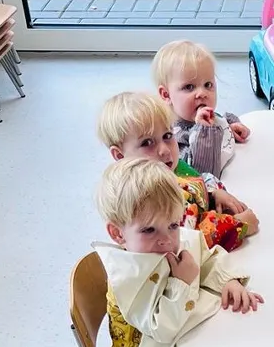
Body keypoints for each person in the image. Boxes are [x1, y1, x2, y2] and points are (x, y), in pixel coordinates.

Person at [94, 158, 263, 347]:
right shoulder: (126, 277)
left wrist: (229, 281)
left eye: (173, 225)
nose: (166, 240)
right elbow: (162, 329)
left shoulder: (173, 237)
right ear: (118, 233)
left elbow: (208, 257)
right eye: (149, 230)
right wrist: (182, 282)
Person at [96, 90, 258, 251]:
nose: (164, 150)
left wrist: (213, 193)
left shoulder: (170, 166)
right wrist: (239, 226)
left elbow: (197, 179)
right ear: (120, 155)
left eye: (167, 136)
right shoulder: (145, 197)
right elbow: (187, 241)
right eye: (147, 143)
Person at [150, 40, 250, 191]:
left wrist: (232, 125)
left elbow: (220, 118)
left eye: (208, 85)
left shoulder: (205, 115)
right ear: (166, 94)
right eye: (189, 87)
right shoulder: (174, 137)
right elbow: (200, 173)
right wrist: (204, 131)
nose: (202, 93)